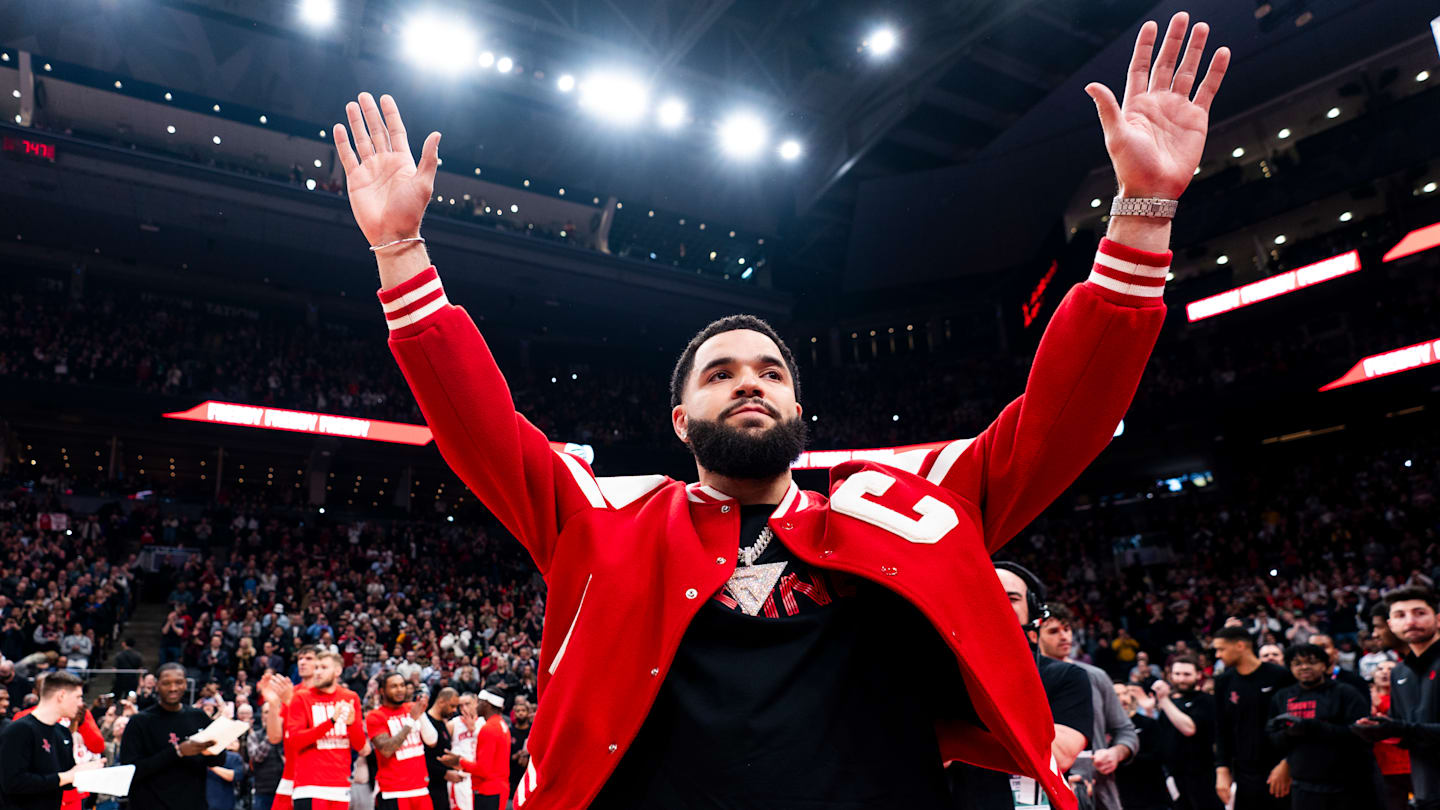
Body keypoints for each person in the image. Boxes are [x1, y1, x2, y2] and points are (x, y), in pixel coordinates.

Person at [331, 13, 1230, 807]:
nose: (749, 381)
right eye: (719, 374)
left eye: (769, 369)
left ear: (803, 407)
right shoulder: (600, 517)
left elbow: (1062, 417)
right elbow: (478, 426)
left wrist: (1143, 216)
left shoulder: (906, 505)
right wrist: (403, 254)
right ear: (680, 421)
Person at [949, 564, 1094, 808]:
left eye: (1011, 598)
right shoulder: (944, 677)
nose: (995, 603)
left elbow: (1058, 755)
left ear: (1034, 610)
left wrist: (960, 740)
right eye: (984, 594)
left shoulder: (1068, 676)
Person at [1037, 604, 1138, 810]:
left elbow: (1126, 731)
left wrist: (1115, 754)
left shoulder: (1096, 676)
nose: (1064, 636)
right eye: (1053, 631)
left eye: (1067, 629)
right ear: (1034, 636)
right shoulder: (1030, 679)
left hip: (1099, 791)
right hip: (1045, 789)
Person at [1354, 587, 1440, 808]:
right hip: (1425, 791)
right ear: (1392, 624)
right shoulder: (1399, 673)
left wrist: (1400, 729)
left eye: (1419, 613)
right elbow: (1405, 732)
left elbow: (1407, 728)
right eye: (1400, 615)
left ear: (1438, 619)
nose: (1410, 621)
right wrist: (1379, 730)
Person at [1266, 644, 1379, 809]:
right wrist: (1287, 734)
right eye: (1297, 663)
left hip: (1345, 782)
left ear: (1324, 665)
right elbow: (1271, 735)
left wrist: (1313, 727)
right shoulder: (1282, 696)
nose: (1304, 667)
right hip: (1303, 783)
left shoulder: (1346, 693)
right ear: (1290, 668)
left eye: (1311, 662)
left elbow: (1362, 734)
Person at [119, 662, 227, 810]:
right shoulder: (140, 722)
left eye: (179, 682)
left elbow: (218, 760)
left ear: (185, 684)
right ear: (157, 685)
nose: (173, 688)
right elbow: (130, 770)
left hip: (193, 804)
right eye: (166, 683)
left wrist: (211, 749)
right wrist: (178, 752)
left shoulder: (198, 717)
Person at [1213, 626, 1295, 809]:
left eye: (1221, 649)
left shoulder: (1280, 676)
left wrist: (1287, 762)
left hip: (1278, 768)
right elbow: (1221, 728)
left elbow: (1294, 723)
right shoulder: (1223, 681)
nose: (1218, 655)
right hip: (1243, 771)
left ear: (1240, 646)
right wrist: (1222, 769)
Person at [0, 671, 99, 810]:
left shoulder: (62, 732)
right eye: (78, 697)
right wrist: (65, 777)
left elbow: (67, 779)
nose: (81, 704)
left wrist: (90, 773)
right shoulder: (19, 729)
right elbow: (12, 783)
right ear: (61, 696)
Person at [284, 651, 366, 808]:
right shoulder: (301, 697)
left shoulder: (350, 697)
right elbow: (295, 741)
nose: (317, 672)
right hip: (310, 786)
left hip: (340, 785)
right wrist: (331, 721)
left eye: (323, 667)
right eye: (316, 668)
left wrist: (351, 725)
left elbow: (360, 746)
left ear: (337, 671)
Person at [1156, 655, 1223, 810]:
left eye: (1187, 674)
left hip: (1203, 774)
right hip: (1174, 775)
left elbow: (1189, 729)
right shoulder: (1169, 703)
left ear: (1198, 675)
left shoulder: (1207, 701)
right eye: (1177, 674)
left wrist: (1164, 700)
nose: (1181, 679)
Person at [365, 672, 439, 810]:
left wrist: (421, 714)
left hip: (421, 788)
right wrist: (411, 720)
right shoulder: (375, 716)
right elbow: (386, 750)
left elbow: (432, 741)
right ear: (382, 691)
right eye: (394, 686)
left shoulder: (412, 708)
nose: (400, 689)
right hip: (393, 792)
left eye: (402, 685)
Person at [1114, 683, 1173, 810]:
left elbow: (1160, 755)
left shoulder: (1148, 723)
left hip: (1153, 795)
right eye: (1116, 695)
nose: (1122, 698)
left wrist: (1121, 757)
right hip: (1122, 797)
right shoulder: (1104, 729)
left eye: (1125, 693)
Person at [1368, 660, 1412, 810]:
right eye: (1380, 668)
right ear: (1373, 675)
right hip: (1381, 765)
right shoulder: (1364, 698)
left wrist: (1380, 704)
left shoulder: (1408, 696)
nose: (1385, 672)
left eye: (1390, 669)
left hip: (1410, 763)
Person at [458, 691, 511, 810]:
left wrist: (459, 762)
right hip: (499, 788)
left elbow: (483, 770)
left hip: (489, 791)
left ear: (487, 704)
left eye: (480, 702)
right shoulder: (501, 724)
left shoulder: (489, 729)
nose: (477, 706)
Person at [424, 687, 461, 810]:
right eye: (452, 706)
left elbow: (440, 754)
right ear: (441, 702)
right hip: (428, 789)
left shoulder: (442, 724)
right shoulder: (426, 724)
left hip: (441, 788)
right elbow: (423, 759)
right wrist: (444, 773)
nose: (455, 710)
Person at [206, 738, 248, 810]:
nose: (232, 743)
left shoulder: (235, 758)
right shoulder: (207, 755)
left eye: (235, 741)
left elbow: (234, 775)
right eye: (230, 740)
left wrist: (211, 766)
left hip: (225, 801)